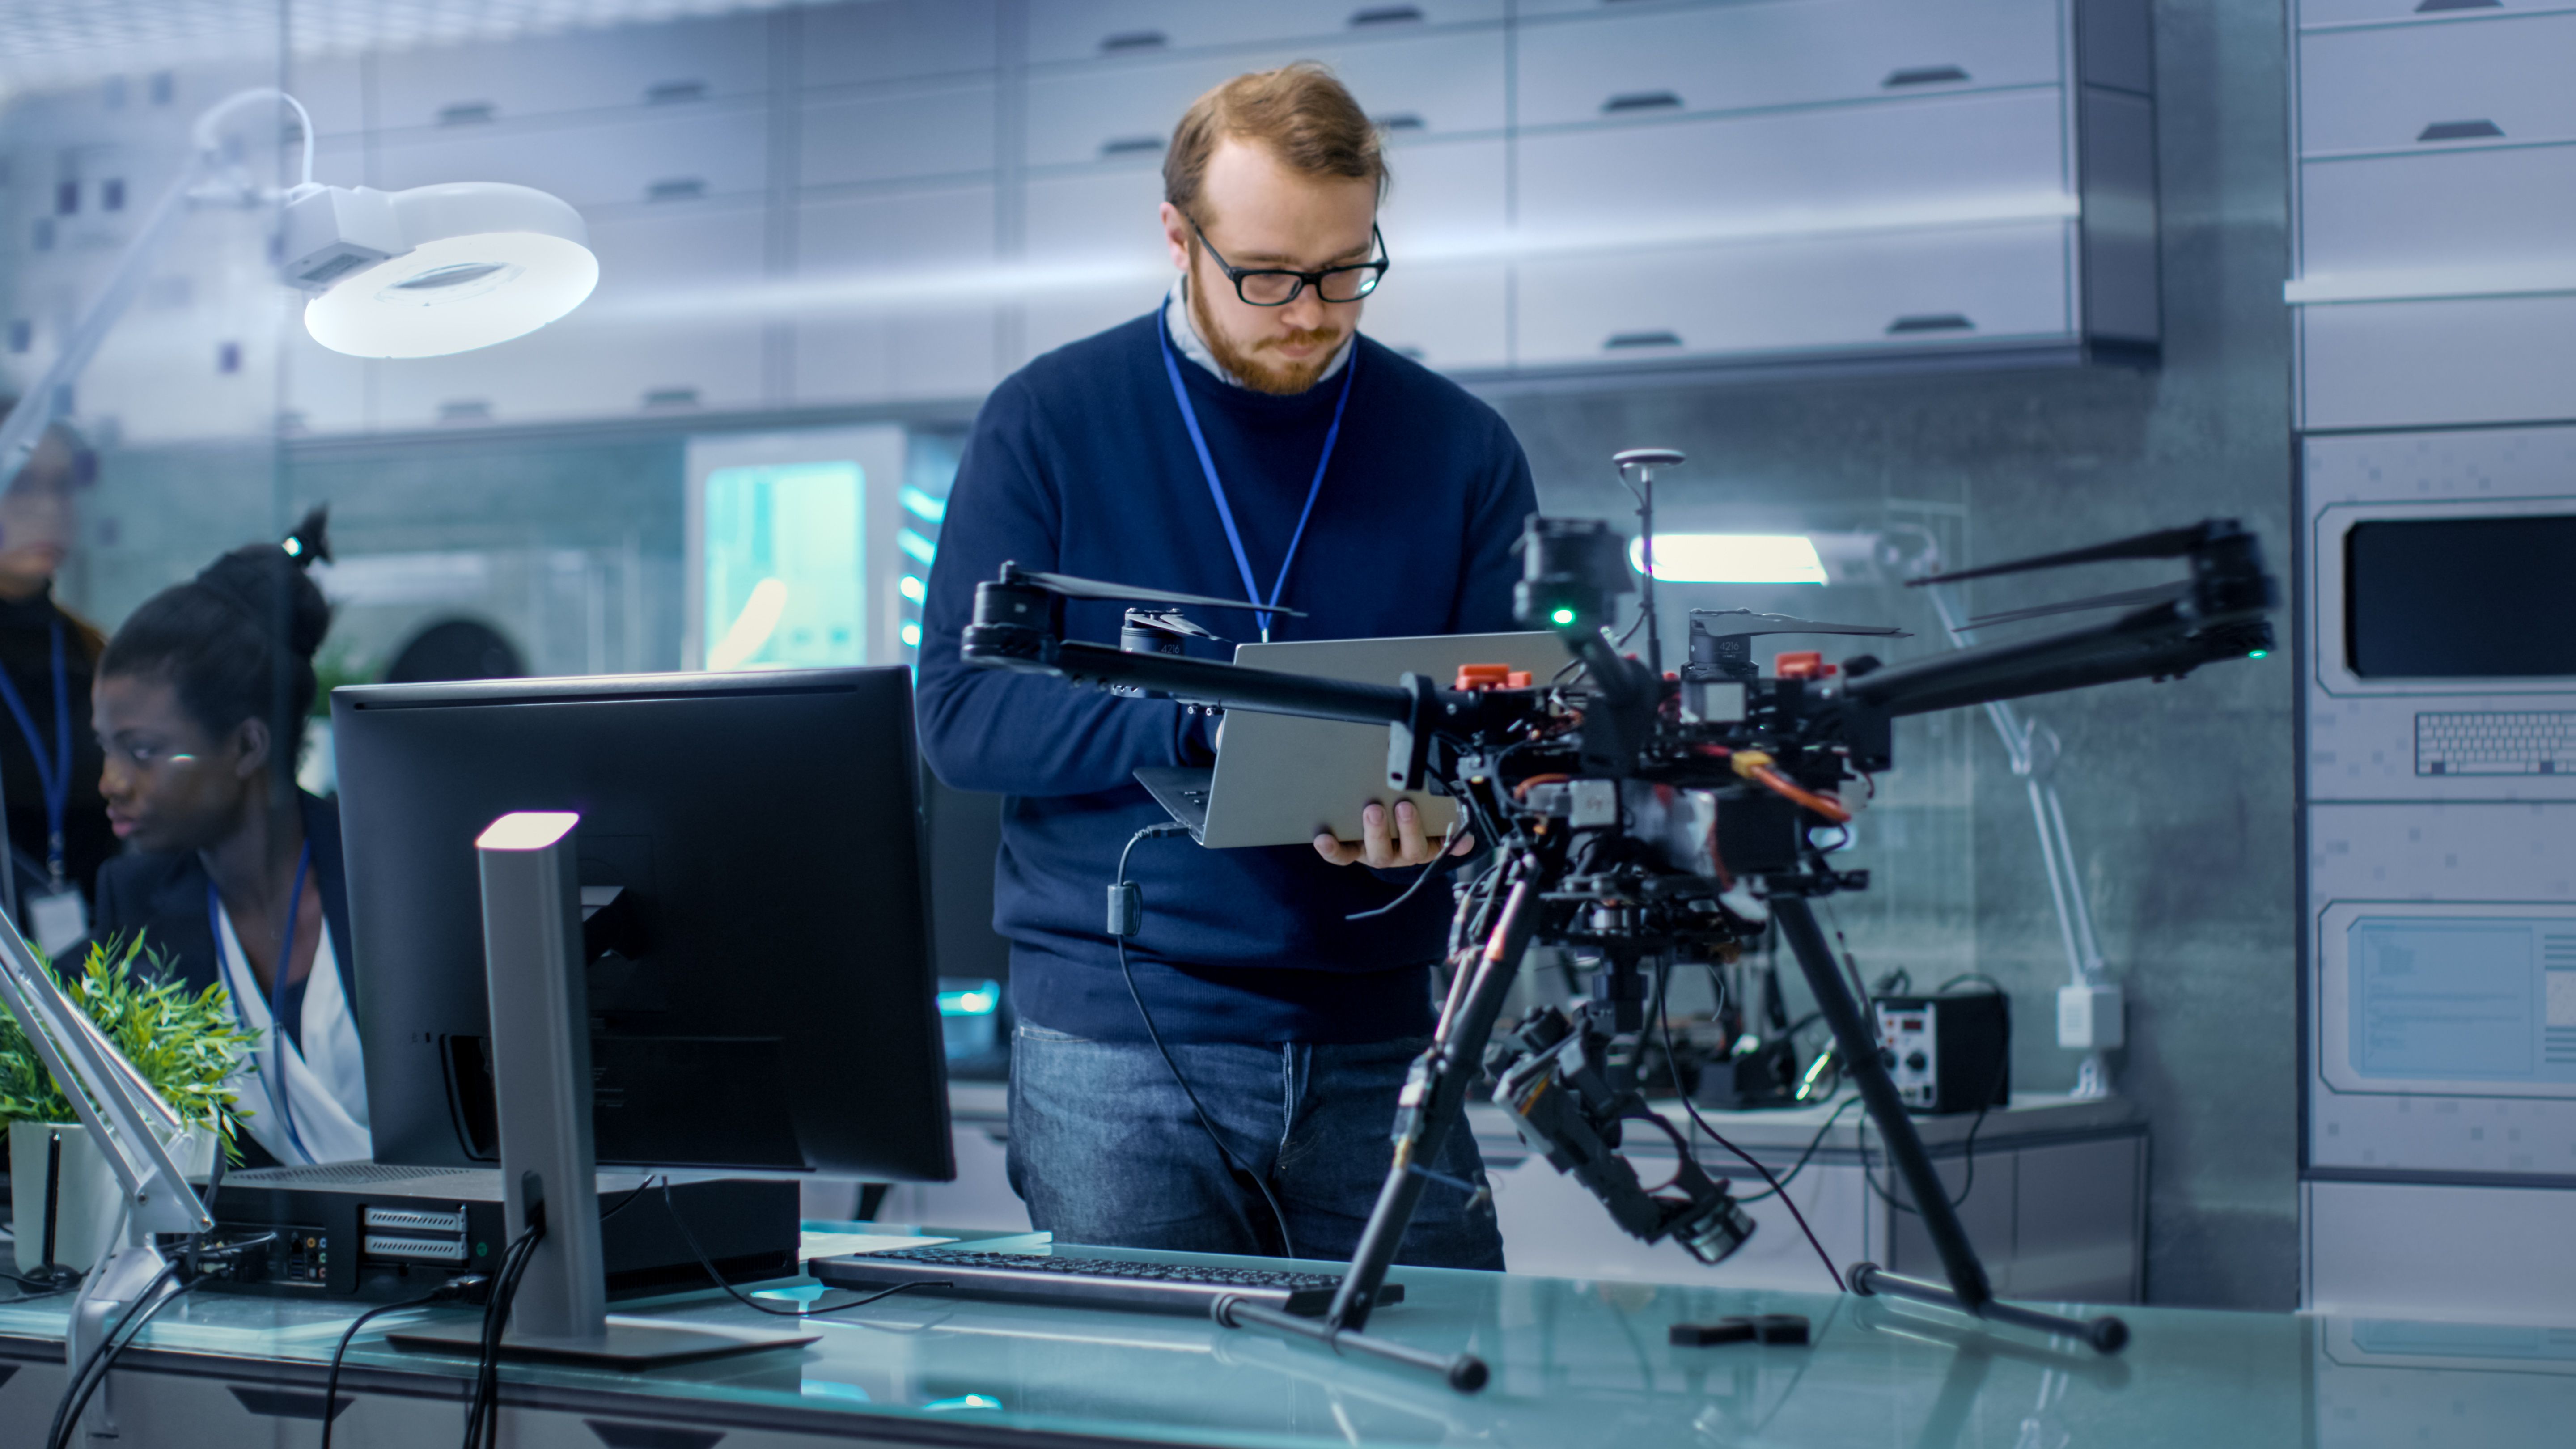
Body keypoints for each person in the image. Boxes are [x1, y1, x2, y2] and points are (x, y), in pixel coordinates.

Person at [917, 64, 1534, 1267]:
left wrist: (1451, 816)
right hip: (1118, 1050)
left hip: (1384, 1039)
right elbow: (962, 713)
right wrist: (1201, 727)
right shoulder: (1047, 422)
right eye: (1267, 275)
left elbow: (1512, 732)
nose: (1309, 312)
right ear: (1176, 237)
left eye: (1346, 271)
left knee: (1440, 1415)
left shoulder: (1460, 449)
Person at [86, 508, 368, 1167]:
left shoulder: (393, 881)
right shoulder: (132, 907)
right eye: (106, 748)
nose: (111, 782)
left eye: (145, 751)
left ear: (247, 745)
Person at [0, 399, 114, 952]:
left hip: (104, 962)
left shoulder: (92, 651)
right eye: (22, 484)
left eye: (63, 485)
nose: (48, 508)